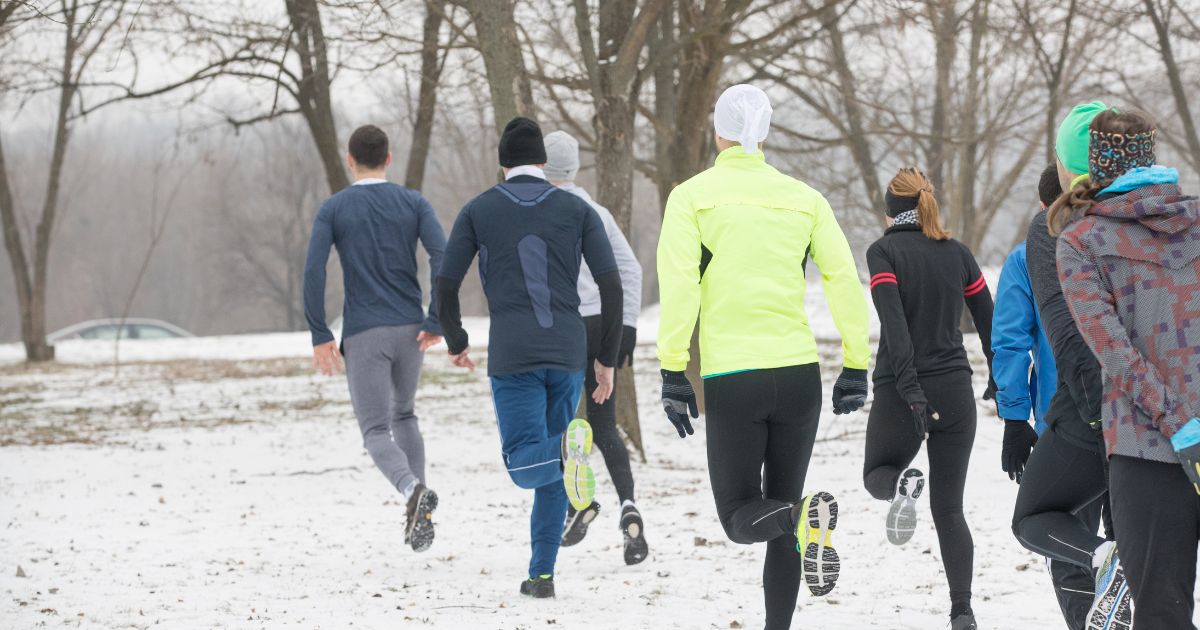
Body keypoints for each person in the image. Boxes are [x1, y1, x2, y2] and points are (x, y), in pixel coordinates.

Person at [656, 84, 871, 630]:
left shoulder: (691, 197)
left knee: (741, 516)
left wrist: (673, 367)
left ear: (718, 133)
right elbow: (843, 278)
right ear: (766, 132)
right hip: (798, 377)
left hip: (735, 377)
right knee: (783, 510)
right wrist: (854, 362)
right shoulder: (805, 199)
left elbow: (679, 285)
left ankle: (800, 518)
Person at [436, 117, 623, 599]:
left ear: (503, 163)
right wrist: (606, 357)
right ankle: (542, 576)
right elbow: (612, 284)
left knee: (524, 464)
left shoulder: (478, 210)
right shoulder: (576, 209)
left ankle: (564, 454)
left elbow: (446, 282)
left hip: (514, 355)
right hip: (567, 353)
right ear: (542, 160)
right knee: (559, 467)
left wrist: (456, 340)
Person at [1056, 108, 1200, 630]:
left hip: (1146, 449)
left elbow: (1114, 351)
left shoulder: (1081, 241)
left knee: (1161, 614)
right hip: (1159, 443)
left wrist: (1180, 426)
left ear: (1095, 165)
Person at [303, 124, 446, 553]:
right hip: (411, 328)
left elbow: (313, 269)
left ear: (350, 160)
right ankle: (418, 508)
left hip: (365, 331)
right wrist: (437, 316)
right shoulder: (414, 202)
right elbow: (442, 255)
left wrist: (319, 331)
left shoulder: (334, 208)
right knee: (404, 415)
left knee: (374, 429)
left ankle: (412, 490)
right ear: (388, 158)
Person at [862, 167, 995, 630]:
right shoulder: (957, 252)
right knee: (950, 509)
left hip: (904, 393)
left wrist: (910, 389)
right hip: (955, 392)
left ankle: (901, 485)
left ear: (890, 210)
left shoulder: (883, 252)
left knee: (876, 475)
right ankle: (962, 610)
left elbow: (895, 326)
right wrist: (999, 378)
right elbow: (988, 319)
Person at [1014, 110, 1129, 630]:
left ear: (1065, 167)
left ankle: (1104, 562)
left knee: (1035, 518)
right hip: (1166, 407)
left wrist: (1098, 420)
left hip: (1090, 408)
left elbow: (1064, 332)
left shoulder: (1055, 228)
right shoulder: (1159, 213)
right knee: (1149, 549)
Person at [542, 130, 649, 565]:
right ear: (574, 167)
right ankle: (629, 506)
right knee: (604, 425)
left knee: (560, 421)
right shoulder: (598, 212)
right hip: (603, 325)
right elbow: (630, 269)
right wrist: (627, 328)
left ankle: (577, 502)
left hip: (563, 327)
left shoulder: (539, 210)